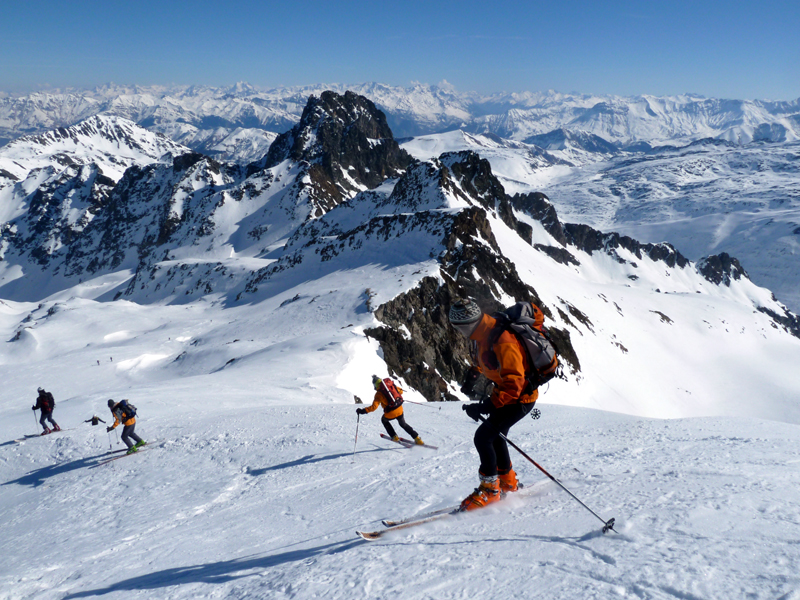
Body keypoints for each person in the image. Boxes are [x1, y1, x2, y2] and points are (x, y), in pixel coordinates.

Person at [449, 298, 536, 511]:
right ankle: (508, 482)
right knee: (495, 435)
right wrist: (474, 376)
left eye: (460, 329)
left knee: (483, 436)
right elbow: (488, 361)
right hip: (508, 395)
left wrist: (487, 406)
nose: (460, 333)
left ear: (469, 323)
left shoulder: (501, 339)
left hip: (520, 398)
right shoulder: (484, 334)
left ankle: (491, 490)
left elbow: (515, 383)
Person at [357, 375, 425, 446]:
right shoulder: (391, 386)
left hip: (391, 412)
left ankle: (394, 436)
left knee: (384, 420)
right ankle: (417, 438)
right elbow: (401, 391)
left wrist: (362, 411)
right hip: (399, 409)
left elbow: (374, 407)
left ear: (375, 384)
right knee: (403, 424)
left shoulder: (379, 394)